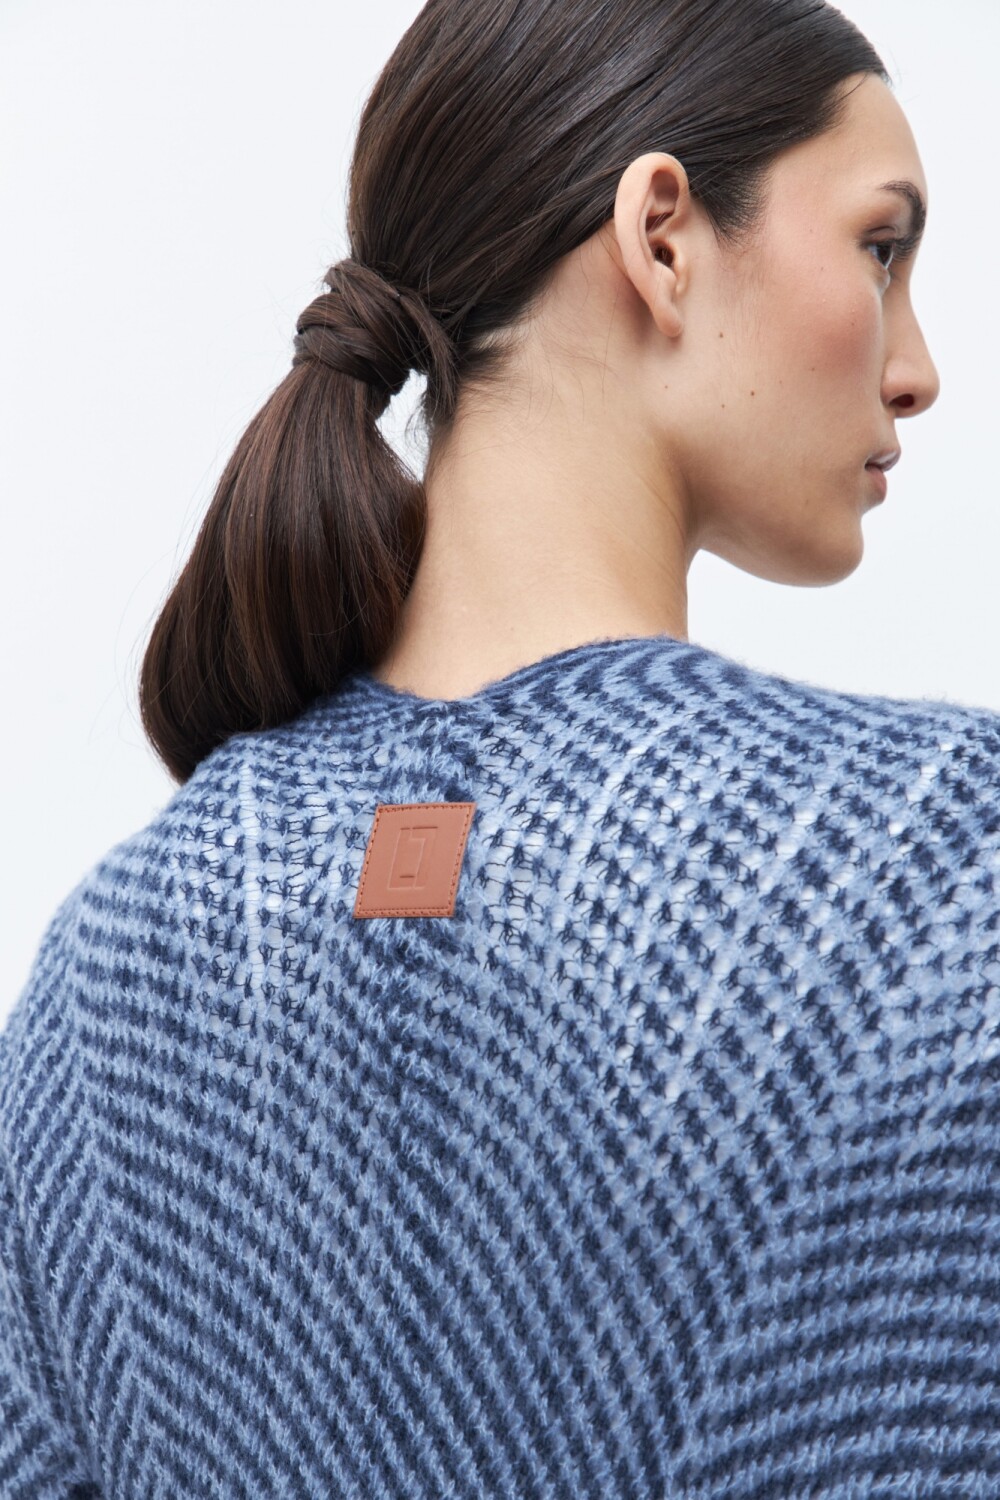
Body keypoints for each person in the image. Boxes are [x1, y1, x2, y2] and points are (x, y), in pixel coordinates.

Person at [2, 1, 998, 1496]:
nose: (914, 366)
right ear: (662, 236)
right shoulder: (940, 869)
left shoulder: (104, 979)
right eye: (879, 246)